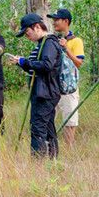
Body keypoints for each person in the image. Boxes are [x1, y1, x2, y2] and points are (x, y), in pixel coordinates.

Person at [8, 13, 62, 158]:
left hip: (46, 93)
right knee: (48, 128)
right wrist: (21, 63)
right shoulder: (42, 44)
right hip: (42, 92)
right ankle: (53, 161)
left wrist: (25, 62)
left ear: (37, 27)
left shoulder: (49, 43)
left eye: (27, 32)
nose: (27, 36)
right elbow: (37, 68)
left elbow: (47, 65)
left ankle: (37, 164)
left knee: (38, 129)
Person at [47, 8, 85, 145]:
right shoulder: (52, 40)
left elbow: (78, 63)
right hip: (52, 87)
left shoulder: (76, 41)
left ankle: (69, 150)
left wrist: (66, 48)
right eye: (53, 20)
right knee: (47, 118)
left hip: (68, 88)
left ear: (66, 21)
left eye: (57, 20)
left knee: (70, 120)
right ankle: (49, 147)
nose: (54, 22)